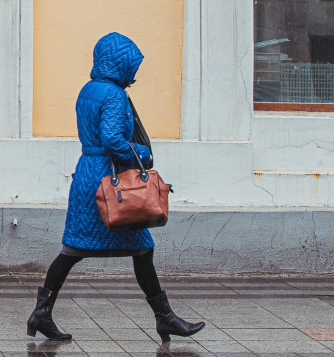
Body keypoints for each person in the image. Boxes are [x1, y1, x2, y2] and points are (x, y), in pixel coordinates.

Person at [26, 32, 205, 342]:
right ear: (119, 64)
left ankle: (42, 312)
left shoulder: (89, 89)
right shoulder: (114, 95)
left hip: (89, 176)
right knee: (139, 249)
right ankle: (165, 318)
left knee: (75, 250)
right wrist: (142, 154)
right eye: (131, 66)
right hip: (112, 183)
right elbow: (112, 139)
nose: (134, 74)